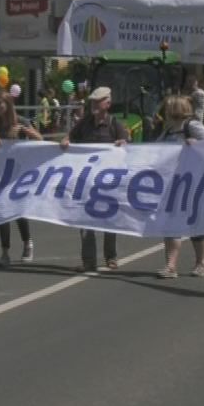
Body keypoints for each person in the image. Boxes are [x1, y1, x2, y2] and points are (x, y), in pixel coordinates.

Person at [60, 86, 129, 272]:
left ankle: (111, 257)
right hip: (87, 180)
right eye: (92, 101)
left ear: (107, 103)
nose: (94, 104)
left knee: (109, 219)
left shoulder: (115, 123)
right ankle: (88, 260)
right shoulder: (85, 122)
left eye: (98, 101)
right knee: (85, 219)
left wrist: (122, 143)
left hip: (109, 181)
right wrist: (65, 141)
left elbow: (125, 142)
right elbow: (70, 136)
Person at [154, 93, 204, 279]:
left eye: (169, 108)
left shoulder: (192, 125)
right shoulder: (168, 129)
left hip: (192, 181)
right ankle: (170, 265)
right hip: (172, 182)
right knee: (171, 222)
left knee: (195, 223)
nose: (166, 111)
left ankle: (200, 262)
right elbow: (155, 149)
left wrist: (196, 144)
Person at [0, 94, 41, 267]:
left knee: (18, 211)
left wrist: (24, 131)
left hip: (19, 172)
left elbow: (39, 138)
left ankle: (27, 243)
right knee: (3, 212)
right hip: (0, 173)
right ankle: (5, 252)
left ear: (8, 105)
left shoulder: (21, 121)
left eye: (0, 103)